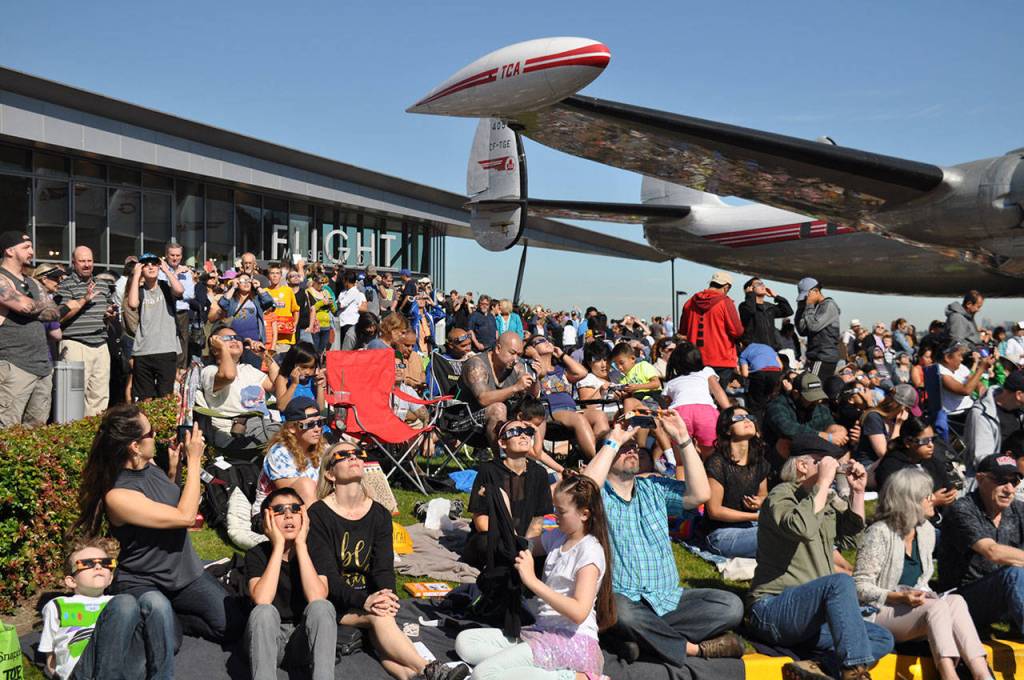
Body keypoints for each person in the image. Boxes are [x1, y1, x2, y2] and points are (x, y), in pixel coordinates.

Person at [584, 412, 746, 665]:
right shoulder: (597, 496)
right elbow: (585, 490)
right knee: (623, 613)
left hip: (668, 598)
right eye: (623, 448)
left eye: (634, 447)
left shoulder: (654, 489)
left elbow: (701, 494)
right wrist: (614, 439)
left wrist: (683, 439)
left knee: (730, 605)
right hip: (622, 597)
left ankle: (641, 640)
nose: (632, 451)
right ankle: (689, 649)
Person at [73, 404, 238, 642]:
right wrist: (194, 461)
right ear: (134, 447)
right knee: (169, 641)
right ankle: (165, 621)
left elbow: (166, 503)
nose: (156, 437)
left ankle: (173, 615)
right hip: (143, 580)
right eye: (150, 434)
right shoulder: (118, 495)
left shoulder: (149, 465)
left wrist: (173, 469)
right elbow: (185, 517)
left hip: (184, 574)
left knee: (232, 625)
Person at [308, 441, 468, 680]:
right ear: (330, 473)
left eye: (358, 453)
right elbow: (327, 576)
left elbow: (383, 568)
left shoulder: (379, 514)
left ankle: (418, 677)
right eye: (343, 455)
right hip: (333, 604)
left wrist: (388, 595)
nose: (354, 458)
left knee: (382, 626)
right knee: (379, 617)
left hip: (372, 601)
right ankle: (431, 668)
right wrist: (367, 601)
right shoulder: (318, 514)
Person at [746, 434, 893, 680]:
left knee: (882, 637)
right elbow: (800, 528)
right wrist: (823, 484)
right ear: (803, 465)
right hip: (772, 609)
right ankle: (853, 673)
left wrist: (857, 493)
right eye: (824, 462)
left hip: (811, 617)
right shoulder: (781, 495)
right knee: (840, 582)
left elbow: (849, 541)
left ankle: (818, 666)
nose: (833, 469)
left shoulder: (824, 500)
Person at [455, 476, 615, 680]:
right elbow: (517, 545)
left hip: (571, 641)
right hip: (542, 632)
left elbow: (579, 612)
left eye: (561, 511)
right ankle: (541, 670)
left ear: (584, 514)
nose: (555, 515)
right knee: (465, 643)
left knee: (482, 675)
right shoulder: (558, 536)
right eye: (555, 509)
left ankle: (576, 677)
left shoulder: (590, 552)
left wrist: (532, 581)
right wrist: (501, 502)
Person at [853, 468, 990, 680]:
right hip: (878, 612)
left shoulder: (926, 531)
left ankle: (982, 674)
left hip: (912, 609)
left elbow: (922, 581)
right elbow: (859, 587)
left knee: (955, 601)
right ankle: (948, 675)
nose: (933, 500)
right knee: (936, 607)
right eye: (927, 496)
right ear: (909, 501)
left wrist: (921, 593)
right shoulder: (879, 533)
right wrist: (899, 597)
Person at [245, 488, 336, 680]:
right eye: (279, 510)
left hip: (303, 640)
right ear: (266, 519)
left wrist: (301, 545)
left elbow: (317, 597)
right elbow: (262, 599)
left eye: (295, 509)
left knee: (323, 606)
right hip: (267, 642)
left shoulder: (317, 549)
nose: (288, 515)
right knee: (264, 612)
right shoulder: (256, 554)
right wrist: (278, 546)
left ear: (304, 516)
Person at [937, 452, 1024, 633]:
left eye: (1014, 482)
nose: (1009, 489)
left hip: (1007, 596)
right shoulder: (962, 510)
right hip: (964, 600)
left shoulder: (1018, 510)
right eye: (1001, 480)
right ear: (979, 478)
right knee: (1014, 574)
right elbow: (992, 551)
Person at [464, 418, 554, 567]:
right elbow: (481, 520)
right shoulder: (488, 470)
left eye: (527, 432)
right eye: (515, 432)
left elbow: (538, 519)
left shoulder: (540, 473)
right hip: (493, 536)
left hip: (524, 540)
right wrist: (510, 540)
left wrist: (526, 545)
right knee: (485, 545)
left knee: (547, 556)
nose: (523, 435)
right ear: (502, 443)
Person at [0, 231, 64, 426]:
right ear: (10, 251)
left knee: (36, 430)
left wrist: (32, 305)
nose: (32, 251)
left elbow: (54, 313)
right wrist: (36, 305)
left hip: (42, 368)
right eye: (26, 247)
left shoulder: (33, 282)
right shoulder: (2, 279)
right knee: (7, 429)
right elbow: (24, 306)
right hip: (14, 365)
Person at [699, 406, 770, 559]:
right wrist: (755, 517)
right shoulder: (717, 463)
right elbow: (715, 511)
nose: (747, 420)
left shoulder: (759, 462)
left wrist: (760, 502)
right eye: (739, 418)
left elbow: (764, 495)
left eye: (750, 417)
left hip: (751, 526)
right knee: (778, 536)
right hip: (721, 533)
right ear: (727, 430)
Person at [197, 323, 279, 452]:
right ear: (215, 348)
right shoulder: (210, 371)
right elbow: (229, 375)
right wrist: (223, 350)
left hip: (264, 428)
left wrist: (265, 356)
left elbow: (277, 385)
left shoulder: (248, 369)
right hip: (235, 435)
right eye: (226, 339)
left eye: (236, 338)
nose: (234, 340)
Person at [56, 246, 115, 416]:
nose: (87, 264)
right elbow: (59, 317)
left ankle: (94, 438)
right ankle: (71, 439)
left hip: (101, 345)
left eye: (89, 261)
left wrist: (109, 313)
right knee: (71, 400)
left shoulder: (102, 285)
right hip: (75, 345)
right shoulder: (65, 285)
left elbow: (107, 308)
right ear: (74, 263)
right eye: (82, 261)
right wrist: (83, 300)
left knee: (99, 398)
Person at [527, 334, 605, 459]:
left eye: (547, 339)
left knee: (599, 415)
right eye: (540, 341)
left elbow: (582, 372)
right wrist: (535, 356)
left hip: (572, 410)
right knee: (578, 419)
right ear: (531, 349)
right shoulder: (532, 368)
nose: (546, 342)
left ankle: (602, 453)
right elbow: (534, 393)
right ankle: (598, 460)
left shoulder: (560, 369)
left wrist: (562, 355)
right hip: (551, 412)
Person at [459, 331, 538, 446]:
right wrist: (515, 387)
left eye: (519, 354)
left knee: (536, 409)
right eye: (512, 353)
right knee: (498, 408)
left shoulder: (516, 367)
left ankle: (534, 457)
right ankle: (501, 461)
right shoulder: (476, 365)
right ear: (498, 348)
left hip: (501, 421)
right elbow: (483, 399)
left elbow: (533, 395)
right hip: (467, 420)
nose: (516, 359)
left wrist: (536, 379)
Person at [126, 253, 184, 401]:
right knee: (145, 397)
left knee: (166, 395)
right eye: (146, 264)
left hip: (166, 348)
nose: (150, 266)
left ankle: (165, 424)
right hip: (143, 350)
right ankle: (148, 424)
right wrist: (137, 275)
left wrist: (166, 270)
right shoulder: (139, 290)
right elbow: (132, 303)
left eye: (154, 263)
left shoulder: (165, 287)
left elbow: (179, 290)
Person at [763, 372, 847, 473]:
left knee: (838, 431)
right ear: (796, 394)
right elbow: (787, 429)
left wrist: (839, 433)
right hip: (779, 458)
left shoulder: (819, 407)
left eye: (818, 397)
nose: (817, 401)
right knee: (786, 442)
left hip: (811, 453)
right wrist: (824, 436)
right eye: (811, 398)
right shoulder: (777, 405)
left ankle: (838, 478)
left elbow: (831, 426)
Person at [872, 416, 961, 511]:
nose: (931, 445)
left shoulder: (932, 461)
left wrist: (950, 495)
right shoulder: (891, 468)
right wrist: (932, 502)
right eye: (925, 441)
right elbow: (895, 506)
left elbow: (947, 487)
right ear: (907, 442)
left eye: (933, 439)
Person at [254, 396, 325, 511]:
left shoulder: (323, 448)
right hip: (275, 511)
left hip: (311, 508)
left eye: (320, 423)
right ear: (292, 428)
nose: (317, 429)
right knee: (306, 485)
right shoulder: (279, 453)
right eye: (310, 424)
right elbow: (288, 495)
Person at [663, 342, 731, 458]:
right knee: (711, 458)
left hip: (679, 413)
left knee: (682, 462)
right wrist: (730, 410)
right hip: (705, 411)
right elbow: (718, 391)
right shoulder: (706, 371)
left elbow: (668, 403)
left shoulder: (671, 383)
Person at [681, 271, 744, 384]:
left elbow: (683, 330)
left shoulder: (690, 302)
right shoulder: (725, 302)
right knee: (718, 397)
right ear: (726, 287)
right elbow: (737, 331)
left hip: (695, 359)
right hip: (721, 359)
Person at [211, 271, 276, 369]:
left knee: (253, 371)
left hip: (253, 343)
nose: (246, 283)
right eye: (242, 281)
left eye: (248, 281)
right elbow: (223, 303)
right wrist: (233, 287)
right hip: (235, 341)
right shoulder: (232, 300)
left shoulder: (257, 300)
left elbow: (269, 301)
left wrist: (258, 287)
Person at [965, 370, 1024, 470]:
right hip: (998, 477)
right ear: (1019, 395)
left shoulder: (1019, 411)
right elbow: (983, 460)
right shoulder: (981, 415)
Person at [853, 385, 915, 467]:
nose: (908, 414)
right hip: (869, 467)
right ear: (900, 407)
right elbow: (885, 455)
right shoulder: (873, 417)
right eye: (908, 410)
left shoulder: (894, 421)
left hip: (888, 466)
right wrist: (898, 426)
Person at [157, 243, 196, 370]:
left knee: (183, 342)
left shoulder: (187, 273)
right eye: (172, 255)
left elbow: (190, 294)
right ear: (167, 256)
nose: (175, 258)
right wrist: (175, 276)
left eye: (178, 255)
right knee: (165, 343)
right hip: (165, 312)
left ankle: (181, 371)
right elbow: (163, 292)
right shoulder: (160, 271)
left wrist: (177, 293)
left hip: (181, 313)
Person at [938, 340, 993, 428]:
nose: (962, 359)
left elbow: (974, 381)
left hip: (969, 409)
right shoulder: (940, 372)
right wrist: (982, 368)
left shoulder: (960, 367)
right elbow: (965, 390)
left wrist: (981, 390)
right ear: (947, 358)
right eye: (959, 355)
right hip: (956, 415)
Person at [795, 277, 841, 378]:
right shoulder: (813, 308)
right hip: (816, 358)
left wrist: (809, 305)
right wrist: (801, 309)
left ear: (816, 291)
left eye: (806, 296)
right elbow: (802, 331)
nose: (806, 300)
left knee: (811, 388)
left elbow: (814, 326)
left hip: (823, 358)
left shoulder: (829, 305)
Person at [739, 277, 793, 349]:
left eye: (762, 284)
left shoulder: (769, 307)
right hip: (753, 350)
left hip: (770, 350)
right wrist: (749, 295)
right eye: (758, 284)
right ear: (750, 289)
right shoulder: (744, 306)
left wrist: (776, 296)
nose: (762, 286)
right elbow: (751, 310)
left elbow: (788, 311)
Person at [273, 342, 327, 412]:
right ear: (292, 363)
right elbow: (281, 407)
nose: (308, 372)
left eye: (312, 367)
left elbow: (320, 408)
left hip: (312, 419)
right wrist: (294, 384)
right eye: (304, 367)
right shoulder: (283, 379)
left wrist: (320, 386)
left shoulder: (313, 381)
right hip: (293, 421)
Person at [738, 342, 783, 422]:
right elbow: (780, 365)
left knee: (756, 404)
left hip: (759, 374)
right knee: (769, 400)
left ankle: (759, 429)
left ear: (741, 344)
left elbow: (745, 374)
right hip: (775, 373)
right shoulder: (769, 347)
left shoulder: (744, 353)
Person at [426, 326, 474, 398]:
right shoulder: (439, 362)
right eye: (463, 346)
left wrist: (475, 361)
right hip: (448, 403)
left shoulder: (473, 358)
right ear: (451, 346)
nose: (468, 348)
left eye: (470, 344)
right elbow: (433, 392)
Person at [266, 263, 300, 353]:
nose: (275, 276)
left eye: (277, 273)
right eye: (272, 273)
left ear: (281, 276)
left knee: (283, 365)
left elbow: (296, 310)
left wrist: (295, 325)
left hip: (285, 337)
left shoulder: (288, 291)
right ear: (268, 276)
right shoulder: (264, 292)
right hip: (269, 336)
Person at [335, 271, 367, 348]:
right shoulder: (343, 292)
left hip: (350, 323)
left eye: (344, 280)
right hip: (341, 323)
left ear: (347, 281)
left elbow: (341, 304)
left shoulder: (354, 292)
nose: (342, 282)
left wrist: (334, 303)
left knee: (347, 347)